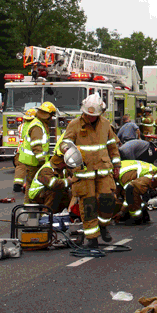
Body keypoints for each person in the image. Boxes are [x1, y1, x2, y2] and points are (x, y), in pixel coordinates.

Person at [61, 93, 121, 248]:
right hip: (83, 173)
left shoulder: (106, 124)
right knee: (88, 205)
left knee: (108, 201)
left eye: (93, 115)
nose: (90, 118)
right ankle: (92, 238)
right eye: (88, 115)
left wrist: (117, 166)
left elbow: (112, 147)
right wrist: (66, 148)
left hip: (103, 170)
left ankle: (103, 226)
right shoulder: (74, 124)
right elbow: (65, 142)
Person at [27, 141, 83, 213]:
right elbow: (53, 184)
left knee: (66, 192)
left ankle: (64, 214)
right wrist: (69, 181)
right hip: (37, 196)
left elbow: (73, 176)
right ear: (60, 162)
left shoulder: (62, 169)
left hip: (45, 194)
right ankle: (46, 215)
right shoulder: (46, 169)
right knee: (54, 190)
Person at [19, 102, 56, 203]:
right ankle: (31, 208)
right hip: (34, 163)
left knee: (31, 186)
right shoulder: (38, 126)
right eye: (51, 116)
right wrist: (42, 161)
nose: (52, 119)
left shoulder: (39, 123)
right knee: (34, 187)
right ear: (48, 116)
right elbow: (36, 146)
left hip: (32, 162)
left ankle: (29, 207)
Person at [112, 160, 157, 225]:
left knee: (131, 190)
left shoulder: (124, 175)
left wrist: (122, 212)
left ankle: (136, 217)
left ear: (115, 170)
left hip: (154, 176)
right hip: (149, 174)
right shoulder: (118, 167)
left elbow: (128, 196)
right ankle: (144, 214)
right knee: (130, 190)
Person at [13, 108, 37, 192]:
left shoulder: (21, 126)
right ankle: (28, 186)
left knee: (20, 168)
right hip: (31, 151)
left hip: (20, 150)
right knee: (32, 170)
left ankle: (17, 184)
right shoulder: (35, 126)